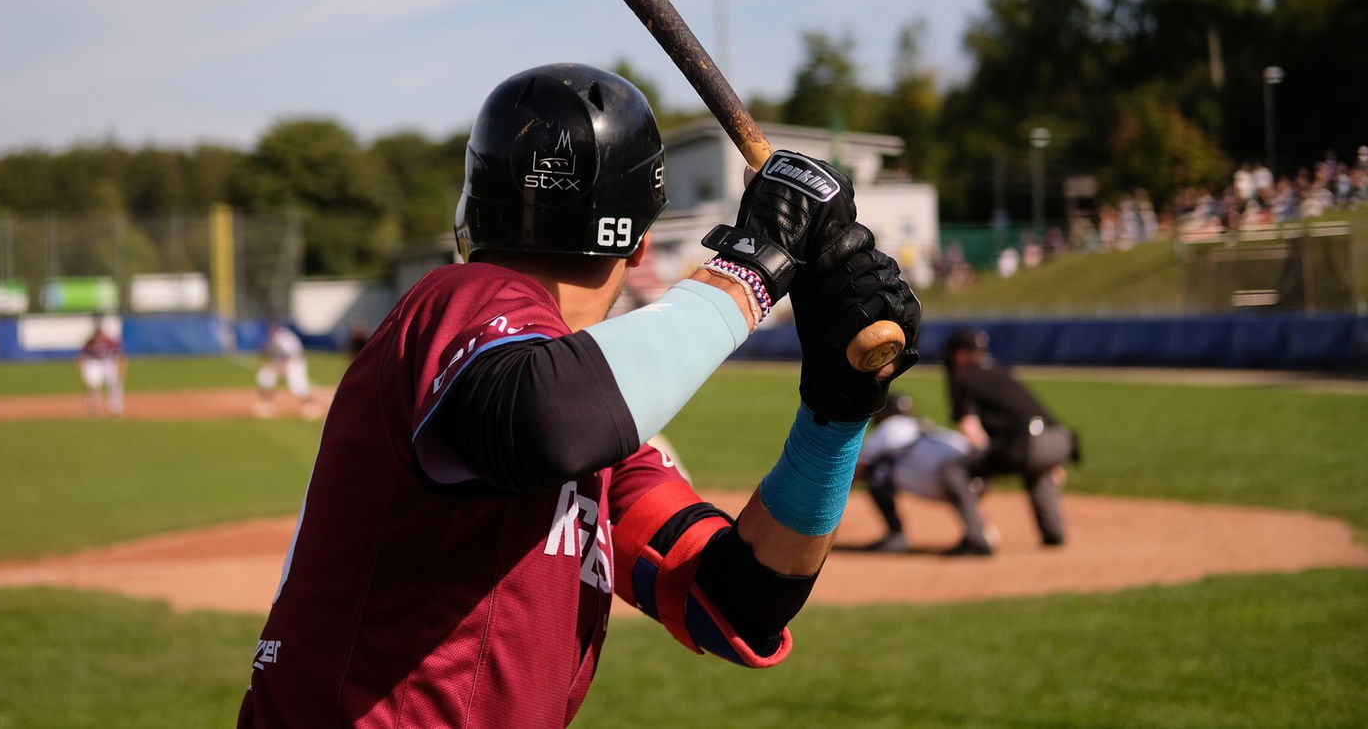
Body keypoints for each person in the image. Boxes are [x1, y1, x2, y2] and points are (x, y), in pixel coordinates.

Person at [237, 63, 922, 728]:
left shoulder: (599, 432)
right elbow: (544, 416)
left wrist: (836, 409)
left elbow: (742, 599)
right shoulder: (464, 302)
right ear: (641, 245)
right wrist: (754, 264)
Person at [942, 328, 1076, 547]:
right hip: (1058, 441)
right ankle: (1054, 533)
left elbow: (970, 427)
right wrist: (1054, 462)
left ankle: (976, 537)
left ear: (960, 355)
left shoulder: (963, 379)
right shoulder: (1000, 371)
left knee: (954, 470)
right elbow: (1036, 412)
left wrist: (984, 463)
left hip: (1028, 445)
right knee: (1037, 469)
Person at [853, 393, 994, 556]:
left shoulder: (889, 427)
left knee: (878, 471)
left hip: (948, 483)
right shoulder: (921, 425)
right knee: (921, 463)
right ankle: (976, 529)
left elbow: (860, 470)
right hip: (979, 482)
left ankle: (896, 536)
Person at [254, 320, 320, 420]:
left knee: (297, 386)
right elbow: (267, 351)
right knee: (265, 375)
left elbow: (292, 354)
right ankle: (267, 404)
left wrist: (280, 366)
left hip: (295, 363)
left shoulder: (283, 338)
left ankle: (311, 406)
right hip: (282, 362)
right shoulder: (273, 337)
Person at [76, 315, 126, 417]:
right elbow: (81, 356)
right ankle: (92, 409)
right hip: (94, 363)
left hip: (108, 363)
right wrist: (82, 369)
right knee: (93, 387)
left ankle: (115, 409)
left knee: (115, 385)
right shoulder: (90, 341)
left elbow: (121, 355)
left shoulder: (109, 340)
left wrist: (121, 369)